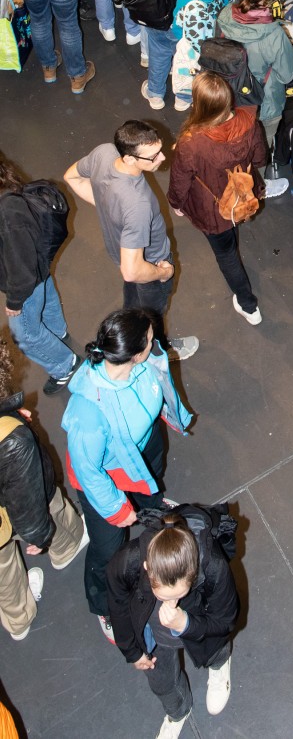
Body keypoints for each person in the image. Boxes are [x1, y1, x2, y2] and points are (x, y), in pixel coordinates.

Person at [61, 309, 192, 638]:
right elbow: (88, 471)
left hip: (143, 449)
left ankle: (151, 507)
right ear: (134, 352)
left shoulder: (140, 363)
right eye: (150, 340)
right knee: (110, 549)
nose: (156, 342)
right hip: (108, 478)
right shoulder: (86, 413)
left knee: (151, 494)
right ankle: (104, 605)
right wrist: (115, 509)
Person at [64, 120, 198, 358]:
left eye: (159, 150)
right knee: (151, 317)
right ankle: (157, 351)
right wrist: (164, 273)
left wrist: (107, 207)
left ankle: (131, 334)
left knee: (133, 305)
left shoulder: (104, 152)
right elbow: (132, 271)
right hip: (151, 264)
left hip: (120, 252)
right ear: (129, 159)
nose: (162, 158)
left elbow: (71, 177)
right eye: (153, 157)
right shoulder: (137, 204)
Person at [107, 507, 238, 737]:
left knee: (214, 646)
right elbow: (117, 606)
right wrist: (132, 651)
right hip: (154, 635)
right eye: (164, 595)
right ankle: (178, 711)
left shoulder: (213, 567)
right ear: (147, 569)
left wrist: (186, 624)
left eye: (180, 593)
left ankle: (219, 665)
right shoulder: (127, 562)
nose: (173, 602)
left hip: (201, 622)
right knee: (162, 682)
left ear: (193, 573)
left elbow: (224, 621)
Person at [0, 337, 87, 642]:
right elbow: (26, 496)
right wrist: (39, 534)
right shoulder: (10, 438)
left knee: (3, 572)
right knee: (53, 509)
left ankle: (18, 620)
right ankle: (65, 548)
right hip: (12, 509)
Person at [168, 72, 266, 325]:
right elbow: (260, 160)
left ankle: (249, 305)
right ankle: (249, 310)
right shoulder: (249, 122)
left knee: (227, 255)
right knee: (231, 238)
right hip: (243, 194)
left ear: (199, 104)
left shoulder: (192, 142)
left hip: (212, 209)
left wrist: (176, 204)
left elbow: (180, 180)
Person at [0, 156, 76, 395]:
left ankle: (65, 366)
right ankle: (57, 333)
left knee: (25, 336)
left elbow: (21, 267)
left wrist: (15, 301)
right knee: (48, 297)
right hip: (39, 270)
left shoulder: (7, 215)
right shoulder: (10, 190)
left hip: (25, 283)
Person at [217, 0, 293, 151]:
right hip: (263, 103)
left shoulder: (226, 13)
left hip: (228, 95)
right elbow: (286, 76)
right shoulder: (274, 34)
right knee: (260, 146)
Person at [171, 0, 234, 110]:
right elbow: (201, 48)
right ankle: (185, 99)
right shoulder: (192, 7)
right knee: (192, 81)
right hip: (194, 48)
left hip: (210, 32)